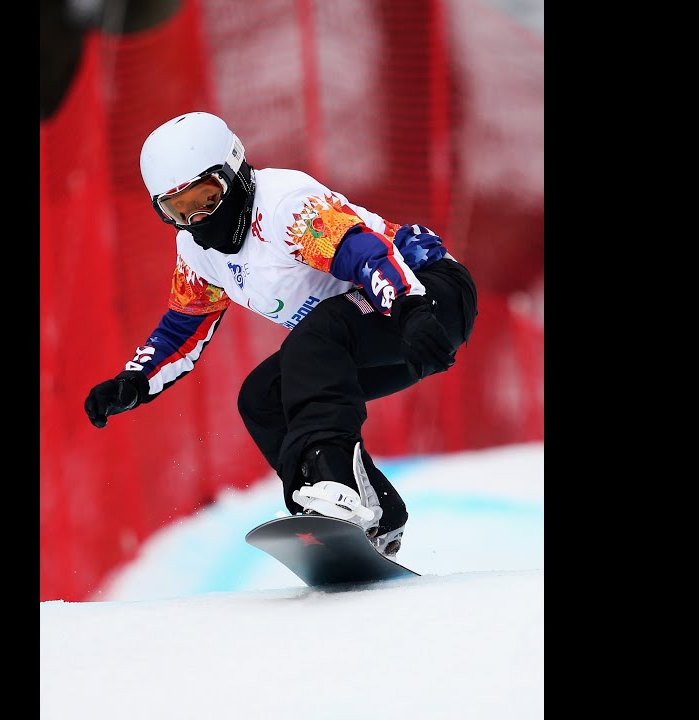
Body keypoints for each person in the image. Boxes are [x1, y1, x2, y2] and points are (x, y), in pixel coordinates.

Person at [84, 112, 478, 558]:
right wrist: (133, 380)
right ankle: (361, 514)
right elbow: (183, 326)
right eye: (178, 210)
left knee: (315, 338)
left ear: (233, 172)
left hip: (426, 294)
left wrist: (410, 309)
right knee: (263, 396)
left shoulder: (283, 207)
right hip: (374, 328)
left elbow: (363, 253)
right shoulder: (197, 251)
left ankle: (339, 491)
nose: (197, 220)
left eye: (206, 199)